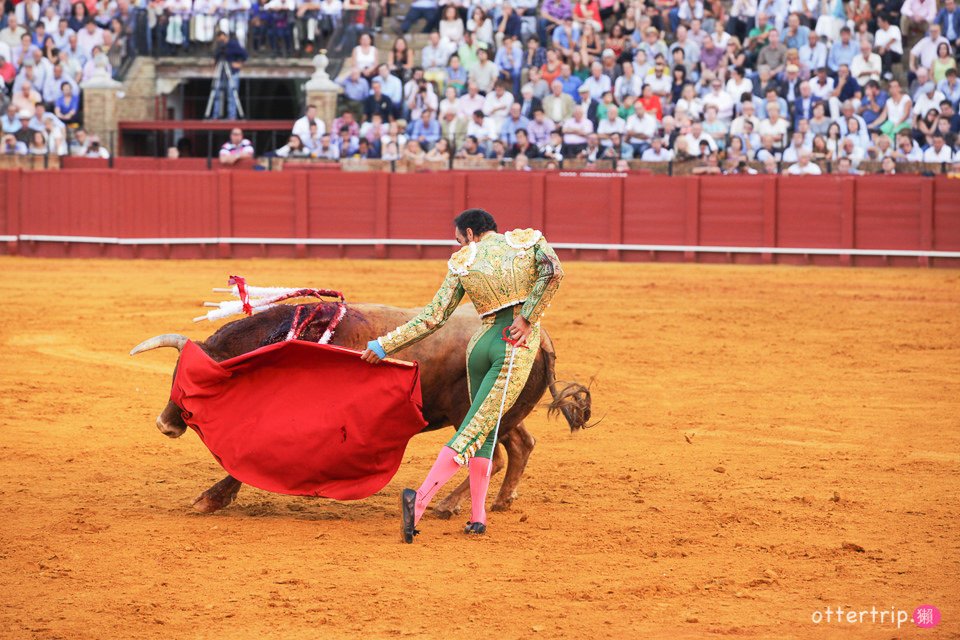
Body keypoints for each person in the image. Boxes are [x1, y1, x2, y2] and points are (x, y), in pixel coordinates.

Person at [360, 209, 564, 543]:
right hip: (513, 345)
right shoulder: (527, 242)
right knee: (474, 429)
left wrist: (384, 346)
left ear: (470, 233)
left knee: (484, 431)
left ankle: (478, 517)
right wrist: (528, 317)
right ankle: (420, 499)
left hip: (480, 345)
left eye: (458, 239)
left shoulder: (463, 262)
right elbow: (554, 272)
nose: (458, 246)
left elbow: (431, 318)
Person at [209, 31, 248, 119]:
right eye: (220, 40)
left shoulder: (233, 45)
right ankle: (215, 115)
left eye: (223, 39)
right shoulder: (219, 47)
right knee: (217, 94)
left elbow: (245, 55)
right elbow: (216, 57)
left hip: (232, 72)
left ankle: (232, 116)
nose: (222, 41)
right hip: (221, 73)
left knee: (232, 95)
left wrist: (239, 64)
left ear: (226, 37)